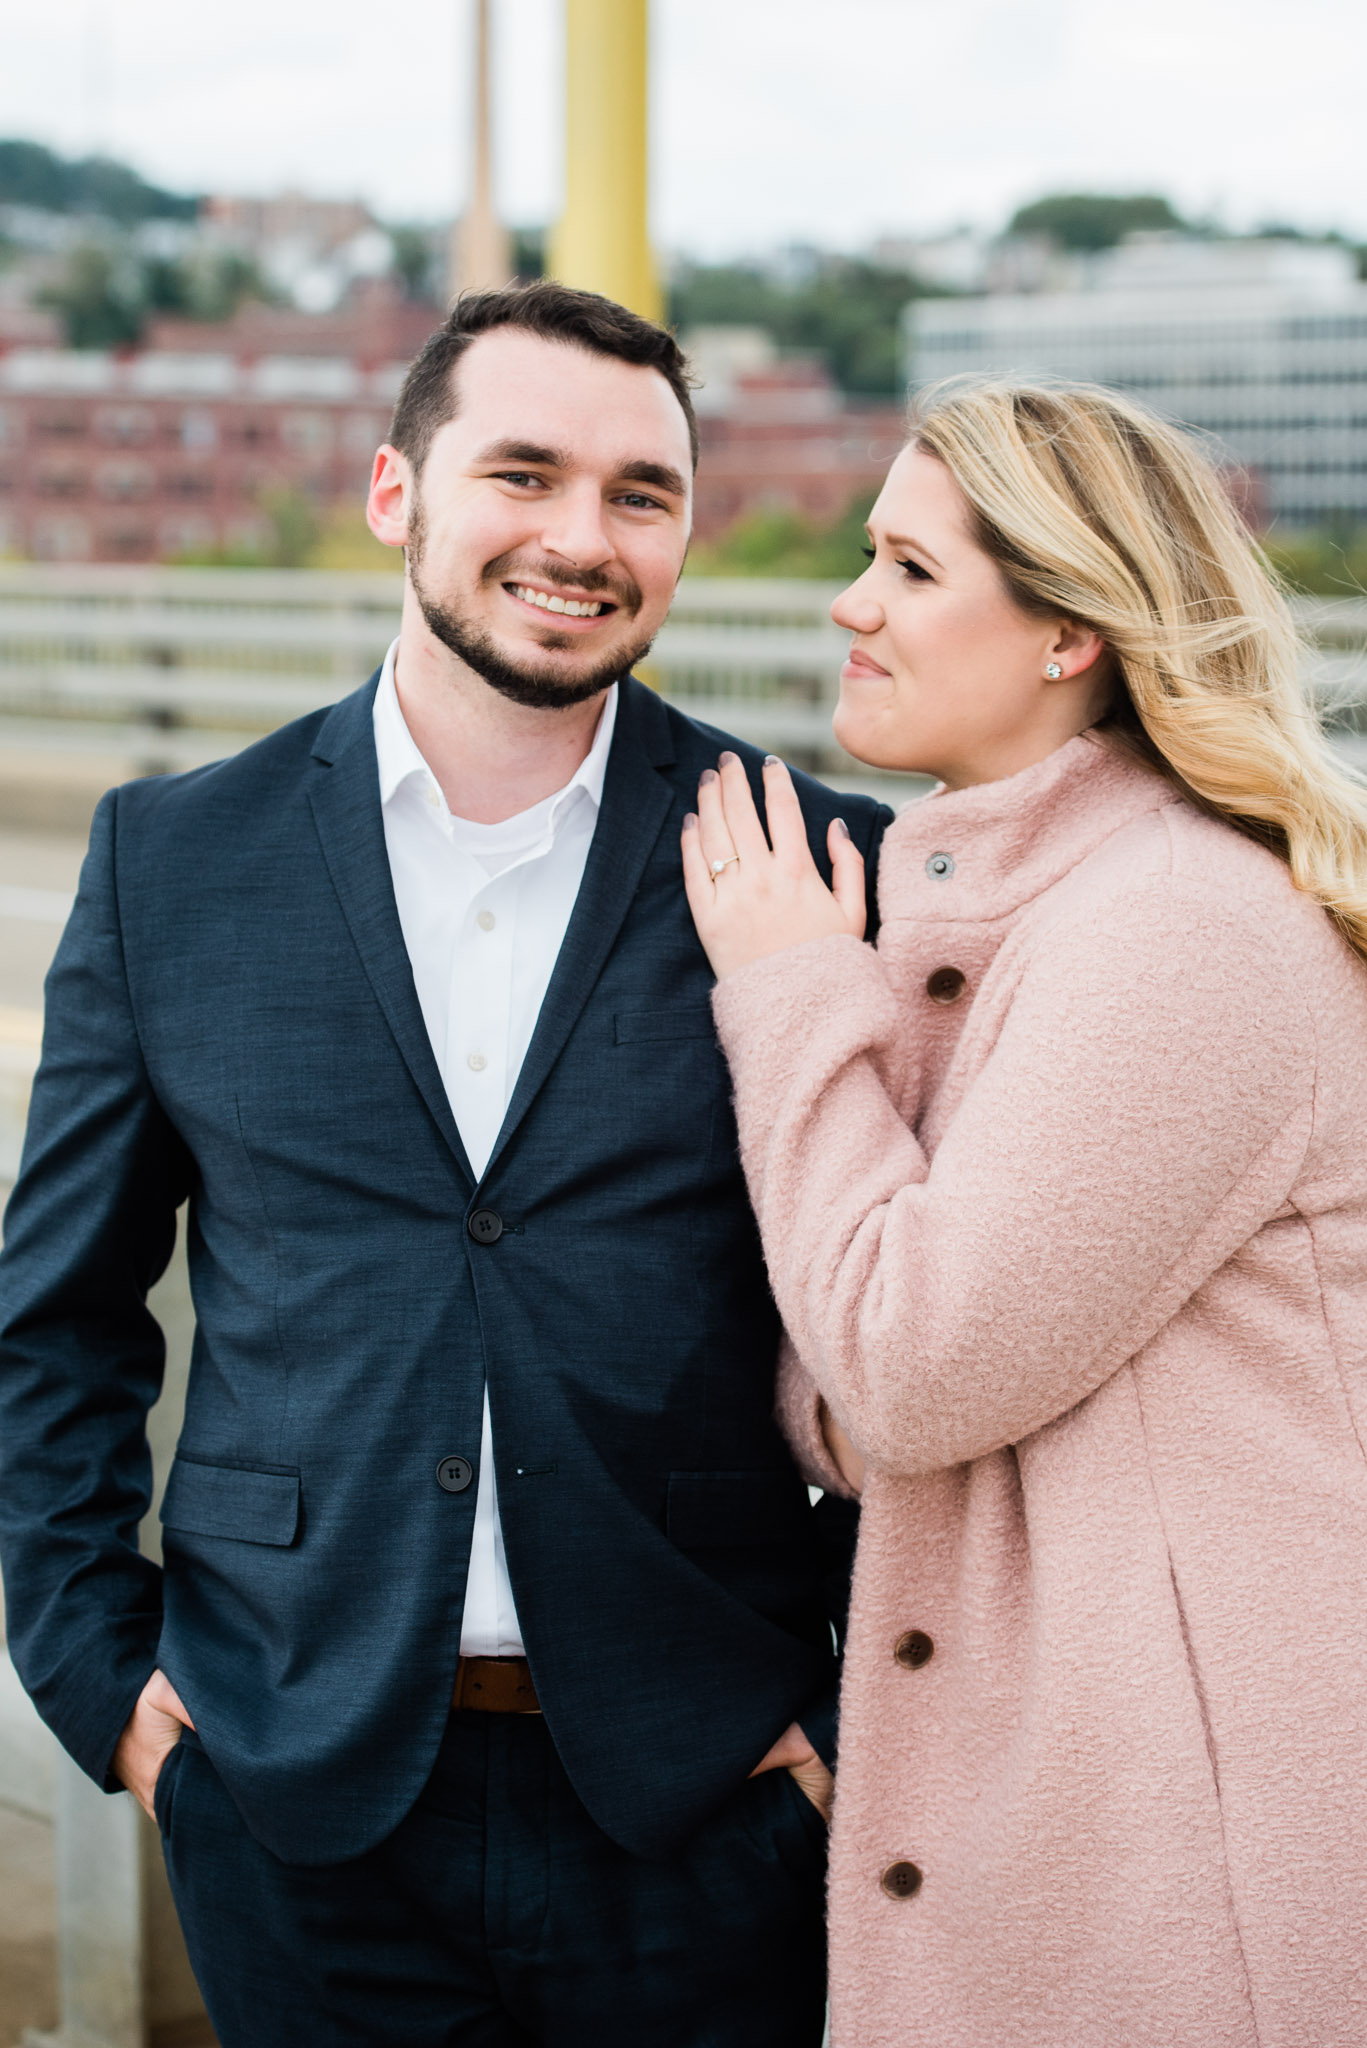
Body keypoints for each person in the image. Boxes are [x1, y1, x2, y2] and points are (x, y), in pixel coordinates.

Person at [0, 282, 889, 2048]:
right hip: (288, 1788)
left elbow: (909, 1324)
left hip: (713, 1796)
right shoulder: (170, 859)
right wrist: (109, 1686)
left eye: (643, 493)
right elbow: (58, 1322)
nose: (583, 537)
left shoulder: (814, 860)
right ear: (396, 491)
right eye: (525, 473)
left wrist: (846, 1726)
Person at [683, 378, 1367, 2047]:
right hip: (1071, 1781)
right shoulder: (1031, 897)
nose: (852, 601)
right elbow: (872, 1382)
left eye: (911, 568)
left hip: (1176, 1839)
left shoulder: (1179, 930)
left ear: (1069, 631)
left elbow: (907, 1369)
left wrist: (787, 989)